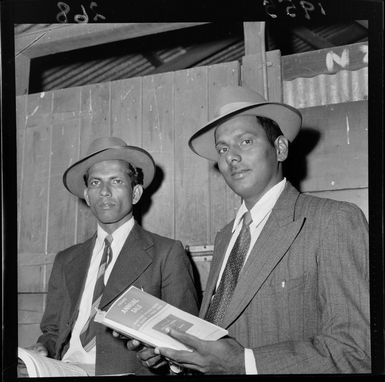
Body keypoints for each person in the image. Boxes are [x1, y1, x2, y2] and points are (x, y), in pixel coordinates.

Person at [127, 85, 370, 374]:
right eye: (223, 148)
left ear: (279, 148)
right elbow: (215, 343)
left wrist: (245, 364)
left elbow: (357, 350)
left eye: (245, 141)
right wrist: (171, 354)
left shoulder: (334, 220)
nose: (231, 157)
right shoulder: (226, 237)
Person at [25, 136, 199, 376]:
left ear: (136, 193)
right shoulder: (66, 260)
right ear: (87, 195)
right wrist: (43, 348)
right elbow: (52, 331)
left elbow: (186, 342)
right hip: (63, 368)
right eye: (96, 183)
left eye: (116, 181)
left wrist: (163, 359)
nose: (104, 192)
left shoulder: (166, 253)